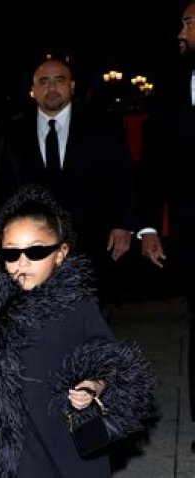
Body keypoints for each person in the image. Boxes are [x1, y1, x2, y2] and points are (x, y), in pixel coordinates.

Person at [0, 185, 155, 477]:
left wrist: (93, 386)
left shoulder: (77, 305)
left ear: (60, 253)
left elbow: (109, 360)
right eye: (11, 253)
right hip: (20, 443)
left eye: (36, 251)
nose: (23, 262)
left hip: (69, 435)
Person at [0, 56, 137, 300]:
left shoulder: (101, 127)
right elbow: (0, 190)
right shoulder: (13, 135)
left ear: (72, 86)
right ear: (33, 90)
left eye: (59, 80)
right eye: (43, 82)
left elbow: (123, 178)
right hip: (32, 250)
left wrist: (123, 224)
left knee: (89, 309)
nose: (51, 88)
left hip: (92, 241)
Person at [138, 0, 195, 447]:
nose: (181, 32)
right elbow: (153, 161)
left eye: (188, 23)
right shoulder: (172, 85)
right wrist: (148, 227)